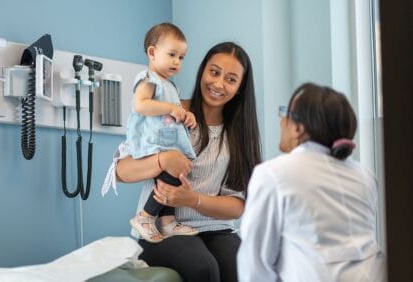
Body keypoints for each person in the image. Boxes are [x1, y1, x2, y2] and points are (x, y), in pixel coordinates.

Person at [103, 41, 262, 282]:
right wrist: (162, 160)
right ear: (202, 71)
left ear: (240, 87)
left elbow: (237, 204)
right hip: (162, 230)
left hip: (216, 229)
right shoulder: (170, 113)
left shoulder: (238, 133)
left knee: (243, 267)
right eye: (214, 72)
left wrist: (192, 200)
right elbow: (121, 171)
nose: (218, 84)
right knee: (204, 269)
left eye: (231, 79)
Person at [237, 83, 386, 281]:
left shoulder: (274, 174)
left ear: (298, 127)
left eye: (285, 113)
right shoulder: (364, 176)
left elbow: (254, 265)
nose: (281, 121)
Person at [125, 23, 199, 243]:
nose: (177, 61)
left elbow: (174, 114)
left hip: (166, 141)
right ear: (152, 52)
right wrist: (171, 108)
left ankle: (167, 222)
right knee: (171, 175)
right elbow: (140, 105)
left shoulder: (171, 86)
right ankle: (145, 217)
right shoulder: (149, 79)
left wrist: (186, 115)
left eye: (182, 57)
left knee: (175, 175)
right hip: (151, 141)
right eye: (172, 55)